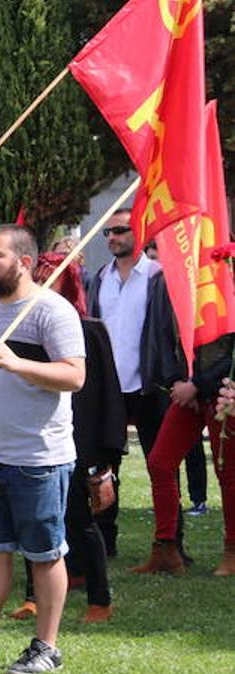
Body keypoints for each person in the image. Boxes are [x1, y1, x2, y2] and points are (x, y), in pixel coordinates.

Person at [0, 225, 85, 674]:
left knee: (45, 553)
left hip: (39, 460)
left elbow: (74, 376)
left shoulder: (54, 311)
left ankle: (47, 647)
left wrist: (16, 362)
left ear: (24, 262)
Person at [10, 253, 125, 623]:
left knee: (79, 521)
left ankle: (100, 600)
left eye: (49, 278)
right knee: (32, 521)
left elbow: (107, 394)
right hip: (34, 439)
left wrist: (105, 456)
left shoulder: (89, 330)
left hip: (80, 443)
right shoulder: (22, 327)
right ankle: (33, 596)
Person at [87, 209, 202, 557]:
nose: (112, 237)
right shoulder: (99, 279)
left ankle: (170, 543)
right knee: (104, 468)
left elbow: (173, 333)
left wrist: (179, 378)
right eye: (108, 232)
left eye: (120, 230)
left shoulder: (159, 276)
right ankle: (105, 542)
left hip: (151, 386)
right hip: (109, 388)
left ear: (139, 231)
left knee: (162, 466)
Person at [135, 331, 235, 576]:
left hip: (225, 392)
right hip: (189, 389)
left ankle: (232, 551)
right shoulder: (180, 292)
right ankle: (165, 549)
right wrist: (178, 383)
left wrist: (197, 385)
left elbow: (231, 355)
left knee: (228, 473)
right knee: (160, 462)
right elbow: (167, 338)